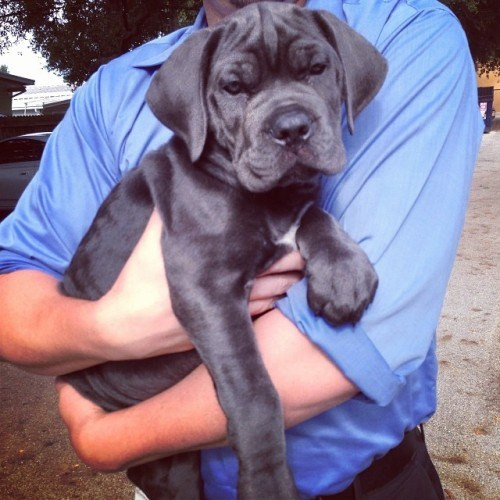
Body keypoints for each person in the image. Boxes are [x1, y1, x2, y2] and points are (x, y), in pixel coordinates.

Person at [0, 0, 483, 498]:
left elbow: (360, 336)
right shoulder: (110, 94)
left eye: (314, 70)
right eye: (236, 86)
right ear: (197, 108)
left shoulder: (402, 29)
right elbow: (13, 296)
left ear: (344, 74)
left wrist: (108, 438)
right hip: (171, 481)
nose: (290, 119)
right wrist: (111, 326)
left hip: (371, 485)